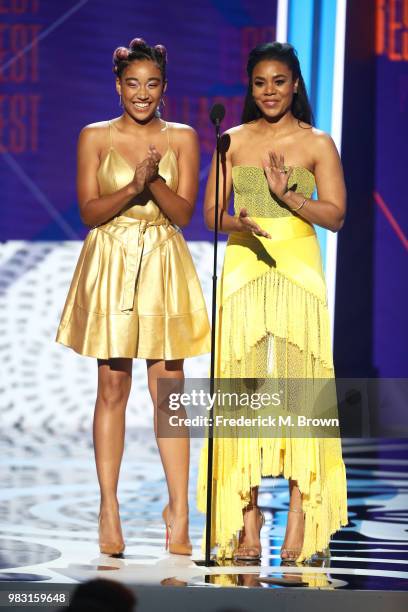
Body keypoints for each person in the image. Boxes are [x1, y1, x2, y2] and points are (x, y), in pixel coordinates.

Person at [56, 38, 210, 556]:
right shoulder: (94, 136)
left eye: (152, 84)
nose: (141, 94)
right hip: (113, 257)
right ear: (118, 86)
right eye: (132, 84)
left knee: (169, 394)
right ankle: (109, 506)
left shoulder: (184, 138)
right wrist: (131, 187)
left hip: (164, 258)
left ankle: (179, 509)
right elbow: (90, 211)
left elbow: (185, 213)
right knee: (112, 389)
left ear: (164, 88)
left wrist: (154, 180)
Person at [197, 42, 348, 563]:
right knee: (242, 395)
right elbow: (212, 213)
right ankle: (247, 521)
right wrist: (240, 221)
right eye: (260, 82)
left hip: (299, 273)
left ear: (296, 84)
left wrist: (288, 199)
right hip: (244, 268)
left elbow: (336, 216)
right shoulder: (231, 142)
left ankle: (302, 521)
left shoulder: (317, 143)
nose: (269, 91)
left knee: (299, 395)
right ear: (250, 86)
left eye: (279, 81)